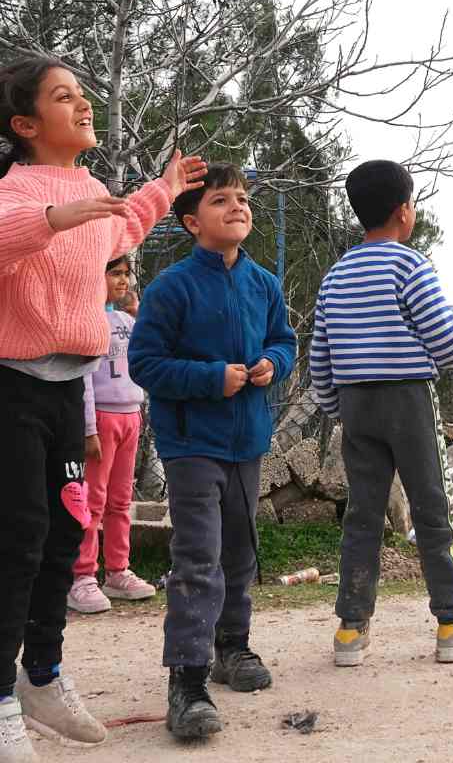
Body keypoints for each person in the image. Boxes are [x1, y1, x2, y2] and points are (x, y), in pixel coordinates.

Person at [0, 56, 205, 762]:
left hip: (66, 389)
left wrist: (162, 189)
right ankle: (0, 699)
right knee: (19, 537)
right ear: (26, 124)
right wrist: (53, 218)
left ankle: (43, 674)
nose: (83, 104)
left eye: (84, 93)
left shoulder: (89, 187)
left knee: (65, 531)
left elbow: (118, 232)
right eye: (65, 97)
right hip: (11, 386)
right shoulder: (16, 190)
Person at [310, 160, 453, 668]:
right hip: (407, 400)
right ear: (404, 211)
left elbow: (321, 354)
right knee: (431, 511)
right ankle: (452, 625)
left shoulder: (336, 275)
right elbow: (442, 337)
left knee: (363, 515)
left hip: (356, 405)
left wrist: (339, 410)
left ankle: (351, 632)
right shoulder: (409, 265)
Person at [128, 164, 296, 742]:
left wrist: (275, 363)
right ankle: (188, 680)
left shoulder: (263, 284)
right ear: (191, 220)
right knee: (198, 557)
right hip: (191, 445)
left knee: (241, 554)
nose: (237, 208)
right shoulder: (171, 287)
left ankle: (233, 649)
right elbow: (144, 363)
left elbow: (284, 340)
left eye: (243, 199)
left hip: (247, 442)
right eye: (221, 200)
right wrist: (209, 379)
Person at [67, 256, 157, 615]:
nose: (122, 280)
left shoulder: (126, 320)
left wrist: (139, 313)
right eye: (114, 273)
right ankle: (82, 575)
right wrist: (88, 428)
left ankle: (117, 570)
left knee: (120, 501)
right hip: (101, 419)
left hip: (130, 416)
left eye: (125, 273)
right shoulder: (87, 321)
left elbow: (147, 349)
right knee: (92, 502)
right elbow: (85, 379)